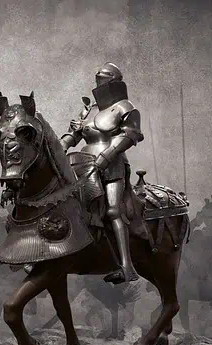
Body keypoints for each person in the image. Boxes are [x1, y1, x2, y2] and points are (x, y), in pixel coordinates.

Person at [60, 62, 144, 284]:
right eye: (98, 79)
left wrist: (107, 156)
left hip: (113, 164)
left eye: (104, 79)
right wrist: (58, 149)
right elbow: (73, 135)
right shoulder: (89, 110)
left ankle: (127, 267)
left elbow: (130, 134)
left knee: (113, 211)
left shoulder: (125, 107)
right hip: (83, 163)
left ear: (114, 82)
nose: (100, 83)